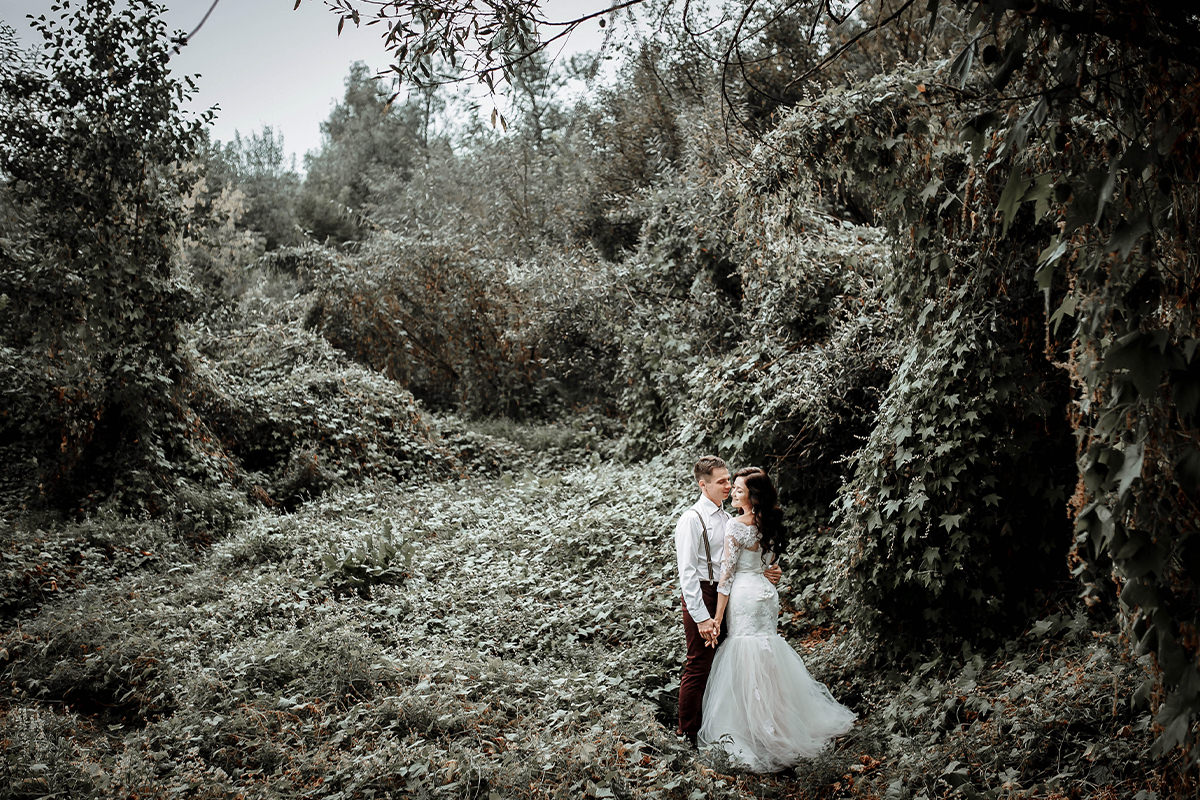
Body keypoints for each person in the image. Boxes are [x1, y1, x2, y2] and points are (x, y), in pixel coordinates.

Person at [698, 467, 856, 772]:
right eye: (734, 488)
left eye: (739, 490)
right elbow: (770, 564)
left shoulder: (734, 526)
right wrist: (771, 572)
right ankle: (780, 724)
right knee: (767, 654)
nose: (733, 493)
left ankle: (756, 731)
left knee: (745, 654)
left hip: (745, 595)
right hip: (766, 594)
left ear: (753, 497)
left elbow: (726, 577)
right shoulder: (768, 522)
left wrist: (716, 618)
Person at [675, 456, 782, 746]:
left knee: (728, 664)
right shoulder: (692, 519)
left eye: (729, 480)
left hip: (732, 596)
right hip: (703, 594)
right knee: (699, 665)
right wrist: (702, 617)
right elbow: (687, 574)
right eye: (721, 481)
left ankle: (726, 730)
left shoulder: (729, 517)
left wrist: (767, 570)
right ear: (703, 485)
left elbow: (744, 558)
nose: (727, 486)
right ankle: (687, 735)